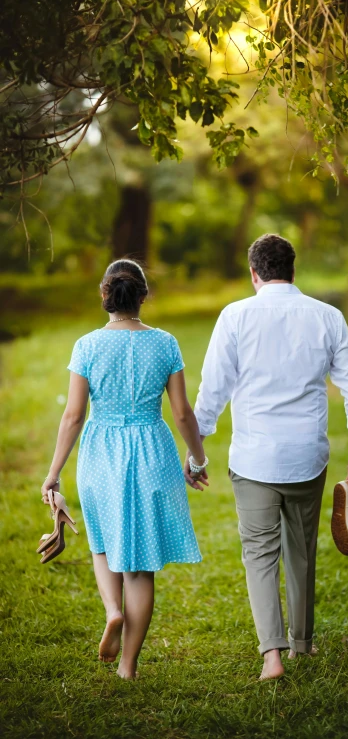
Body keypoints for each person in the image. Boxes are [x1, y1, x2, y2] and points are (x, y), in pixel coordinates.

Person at [189, 234, 348, 681]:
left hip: (253, 457)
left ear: (254, 274)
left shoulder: (234, 316)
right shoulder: (327, 317)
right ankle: (302, 645)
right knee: (302, 549)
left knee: (259, 552)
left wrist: (197, 453)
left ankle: (271, 655)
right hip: (306, 456)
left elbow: (212, 389)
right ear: (293, 271)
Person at [41, 259, 209, 679]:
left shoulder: (87, 345)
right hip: (152, 449)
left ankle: (112, 611)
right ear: (144, 296)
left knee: (102, 542)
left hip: (101, 451)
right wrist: (197, 459)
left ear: (105, 295)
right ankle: (128, 666)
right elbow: (183, 413)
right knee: (141, 565)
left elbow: (74, 416)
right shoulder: (165, 343)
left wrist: (54, 471)